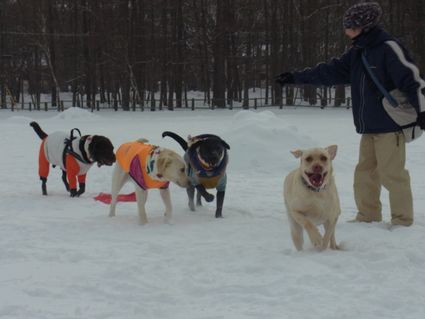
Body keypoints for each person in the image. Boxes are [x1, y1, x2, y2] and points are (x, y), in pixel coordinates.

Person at [276, 2, 425, 227]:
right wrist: (296, 78)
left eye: (351, 27)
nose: (347, 31)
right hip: (368, 126)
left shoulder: (389, 48)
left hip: (390, 124)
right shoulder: (358, 52)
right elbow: (330, 71)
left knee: (392, 175)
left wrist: (423, 110)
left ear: (366, 27)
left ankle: (402, 220)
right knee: (364, 174)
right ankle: (368, 216)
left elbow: (413, 81)